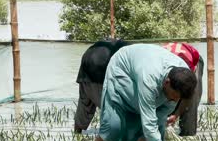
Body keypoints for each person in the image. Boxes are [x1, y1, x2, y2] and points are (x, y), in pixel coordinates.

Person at [81, 43, 197, 141]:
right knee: (113, 126)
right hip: (123, 71)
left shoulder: (183, 80)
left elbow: (160, 117)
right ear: (167, 83)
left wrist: (148, 136)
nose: (174, 101)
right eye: (173, 96)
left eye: (177, 98)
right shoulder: (149, 78)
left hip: (147, 73)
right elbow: (149, 125)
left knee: (157, 133)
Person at [74, 40, 203, 136]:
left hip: (92, 63)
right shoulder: (153, 69)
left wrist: (175, 114)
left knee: (88, 103)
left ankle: (77, 133)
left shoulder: (159, 61)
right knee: (123, 114)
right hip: (100, 69)